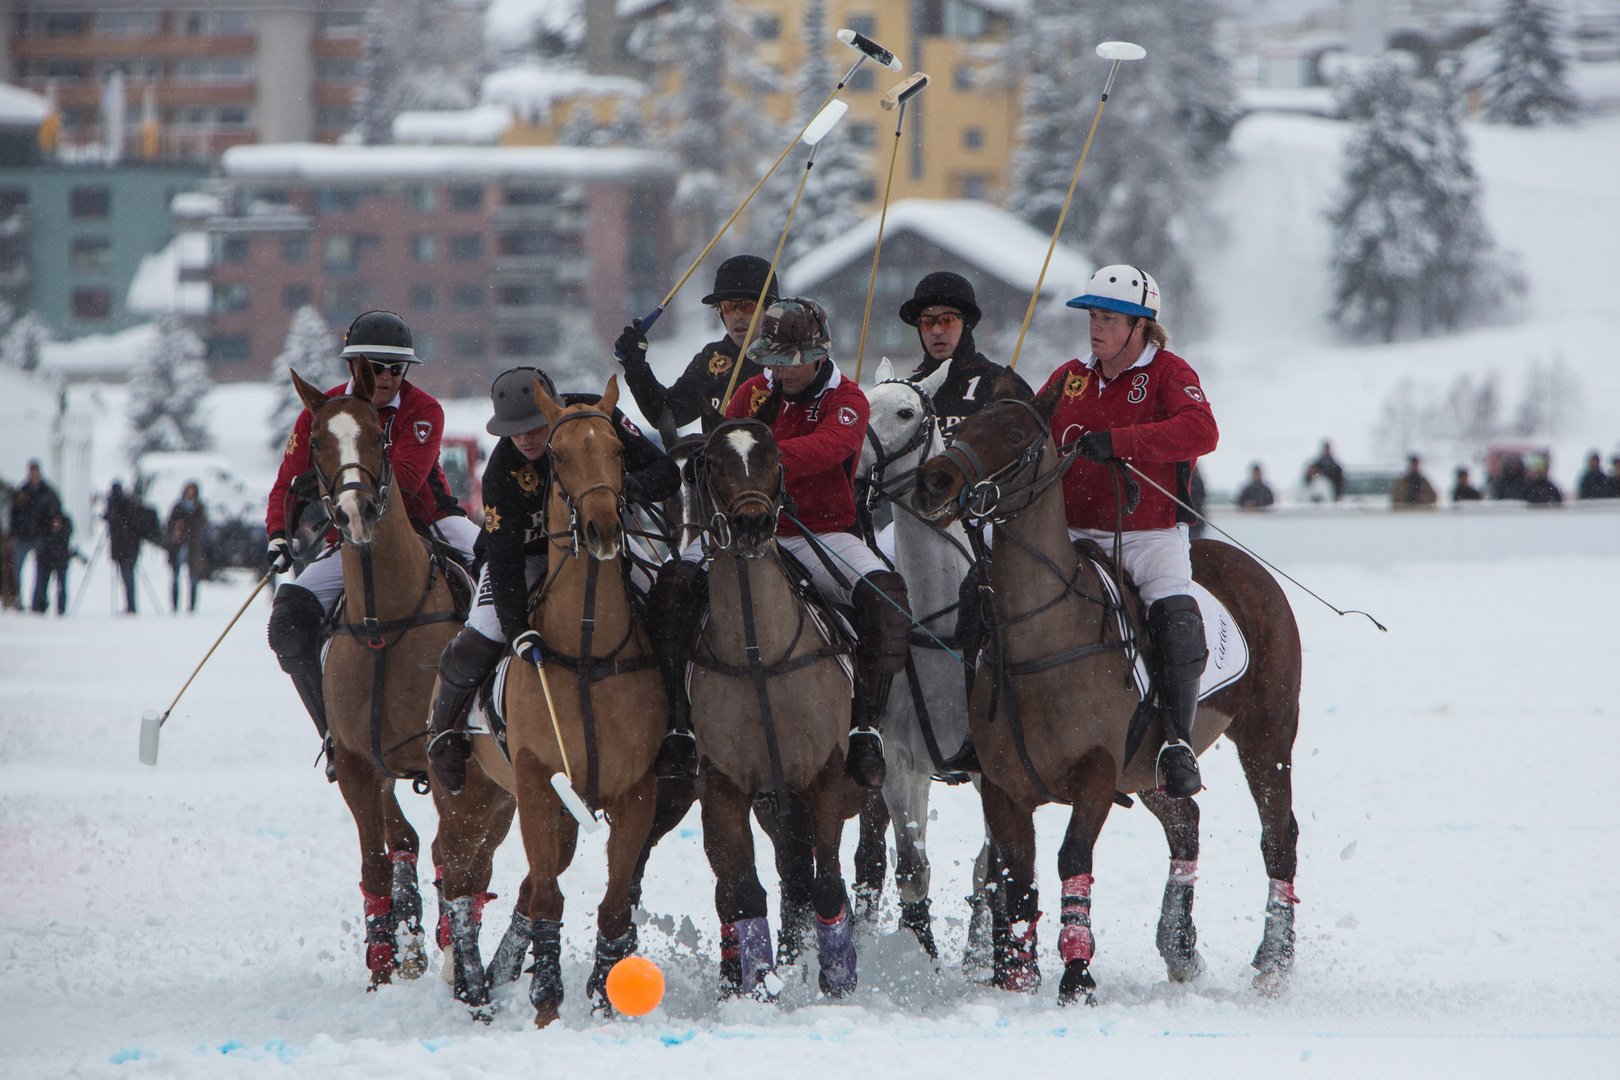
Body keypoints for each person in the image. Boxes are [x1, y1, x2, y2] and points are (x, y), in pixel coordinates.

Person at [652, 297, 910, 790]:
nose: (782, 372)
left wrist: (759, 455)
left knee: (886, 596)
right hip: (741, 534)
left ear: (819, 354)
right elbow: (726, 448)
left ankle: (865, 726)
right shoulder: (749, 394)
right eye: (773, 360)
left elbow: (828, 448)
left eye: (791, 361)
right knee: (670, 588)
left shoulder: (848, 401)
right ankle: (679, 724)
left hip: (820, 533)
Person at [424, 367, 680, 793]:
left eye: (534, 428)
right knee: (479, 637)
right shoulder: (502, 473)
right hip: (525, 560)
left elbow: (666, 472)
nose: (525, 439)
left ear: (552, 409)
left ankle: (679, 727)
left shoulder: (596, 418)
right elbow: (504, 563)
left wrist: (622, 485)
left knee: (664, 612)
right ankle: (444, 733)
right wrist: (517, 628)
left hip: (598, 551)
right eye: (513, 431)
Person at [264, 310, 482, 781]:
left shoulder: (424, 409)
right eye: (376, 366)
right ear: (355, 367)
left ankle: (497, 722)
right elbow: (285, 482)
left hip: (429, 520)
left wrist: (327, 489)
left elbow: (403, 480)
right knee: (287, 622)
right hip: (351, 535)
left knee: (497, 577)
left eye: (396, 368)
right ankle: (334, 733)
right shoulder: (319, 413)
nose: (385, 377)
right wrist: (279, 532)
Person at [1038, 264, 1217, 798]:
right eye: (1092, 315)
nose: (1095, 328)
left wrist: (1120, 441)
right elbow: (1029, 426)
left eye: (1108, 318)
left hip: (1147, 535)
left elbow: (1201, 430)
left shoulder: (1168, 372)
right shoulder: (1070, 375)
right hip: (1069, 533)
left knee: (1174, 619)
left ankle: (1177, 744)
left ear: (1140, 325)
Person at [614, 255, 779, 427]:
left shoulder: (790, 359)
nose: (737, 315)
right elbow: (667, 414)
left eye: (747, 306)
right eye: (728, 307)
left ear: (770, 310)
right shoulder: (712, 358)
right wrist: (637, 368)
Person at [898, 271, 1031, 430]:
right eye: (927, 322)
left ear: (967, 324)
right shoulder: (907, 394)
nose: (936, 331)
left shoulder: (1003, 386)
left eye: (947, 320)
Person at [9, 460, 61, 608]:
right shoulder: (23, 491)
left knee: (41, 570)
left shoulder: (48, 492)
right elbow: (14, 514)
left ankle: (38, 600)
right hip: (22, 536)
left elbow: (55, 510)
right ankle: (17, 598)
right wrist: (13, 533)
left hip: (40, 535)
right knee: (16, 568)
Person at [166, 482, 208, 613]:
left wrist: (190, 525)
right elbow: (169, 523)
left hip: (193, 546)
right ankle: (174, 606)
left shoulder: (199, 507)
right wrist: (177, 528)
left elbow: (203, 523)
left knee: (193, 578)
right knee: (175, 576)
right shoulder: (178, 507)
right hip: (179, 546)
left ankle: (192, 606)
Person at [104, 481, 144, 614]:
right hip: (123, 548)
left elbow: (132, 523)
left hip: (127, 548)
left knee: (128, 576)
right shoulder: (124, 503)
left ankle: (131, 605)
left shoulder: (126, 504)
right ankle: (130, 605)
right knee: (126, 576)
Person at [36, 510, 76, 615]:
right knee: (44, 583)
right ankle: (41, 604)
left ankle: (61, 608)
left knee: (62, 585)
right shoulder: (46, 528)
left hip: (61, 560)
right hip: (48, 560)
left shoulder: (65, 527)